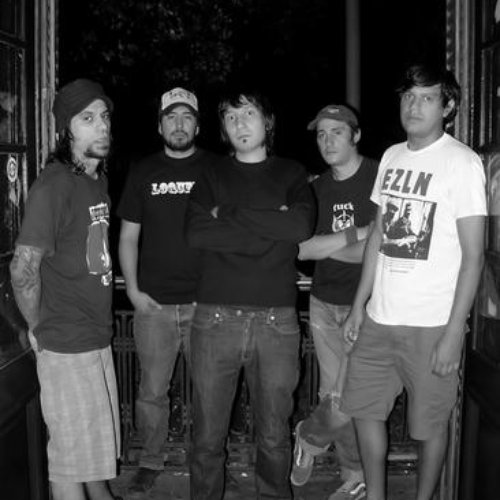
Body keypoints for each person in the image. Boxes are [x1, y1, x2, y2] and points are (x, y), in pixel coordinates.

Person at [342, 64, 487, 500]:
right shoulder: (391, 156)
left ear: (448, 106)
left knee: (429, 426)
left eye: (427, 97)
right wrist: (359, 305)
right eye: (408, 96)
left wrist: (453, 334)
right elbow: (378, 236)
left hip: (432, 324)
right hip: (379, 319)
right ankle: (376, 495)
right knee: (364, 410)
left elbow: (474, 255)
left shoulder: (462, 162)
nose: (414, 105)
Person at [186, 90, 315, 500]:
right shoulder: (210, 174)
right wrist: (270, 233)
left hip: (277, 321)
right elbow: (196, 232)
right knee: (207, 439)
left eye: (248, 113)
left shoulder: (292, 173)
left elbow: (299, 228)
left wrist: (229, 215)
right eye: (230, 117)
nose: (240, 123)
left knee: (274, 437)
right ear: (223, 129)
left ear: (268, 121)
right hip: (214, 318)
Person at [10, 79, 121, 500]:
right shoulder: (54, 185)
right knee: (70, 466)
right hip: (66, 345)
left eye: (104, 116)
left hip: (94, 338)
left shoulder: (95, 180)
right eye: (87, 118)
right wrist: (39, 329)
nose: (101, 126)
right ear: (65, 131)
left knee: (92, 458)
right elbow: (23, 268)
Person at [117, 87, 216, 497]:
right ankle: (150, 461)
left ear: (197, 125)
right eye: (171, 117)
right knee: (151, 393)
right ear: (159, 126)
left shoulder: (216, 168)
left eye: (186, 117)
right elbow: (128, 237)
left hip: (205, 304)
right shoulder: (143, 170)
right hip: (153, 306)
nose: (179, 124)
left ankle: (208, 463)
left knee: (210, 393)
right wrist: (133, 291)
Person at [291, 104, 378, 500]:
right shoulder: (315, 189)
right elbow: (302, 249)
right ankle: (353, 476)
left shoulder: (378, 177)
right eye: (321, 134)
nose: (327, 141)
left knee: (348, 396)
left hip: (368, 303)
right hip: (323, 301)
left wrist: (331, 246)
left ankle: (309, 437)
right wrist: (357, 235)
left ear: (355, 135)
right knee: (335, 396)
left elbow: (380, 247)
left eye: (337, 132)